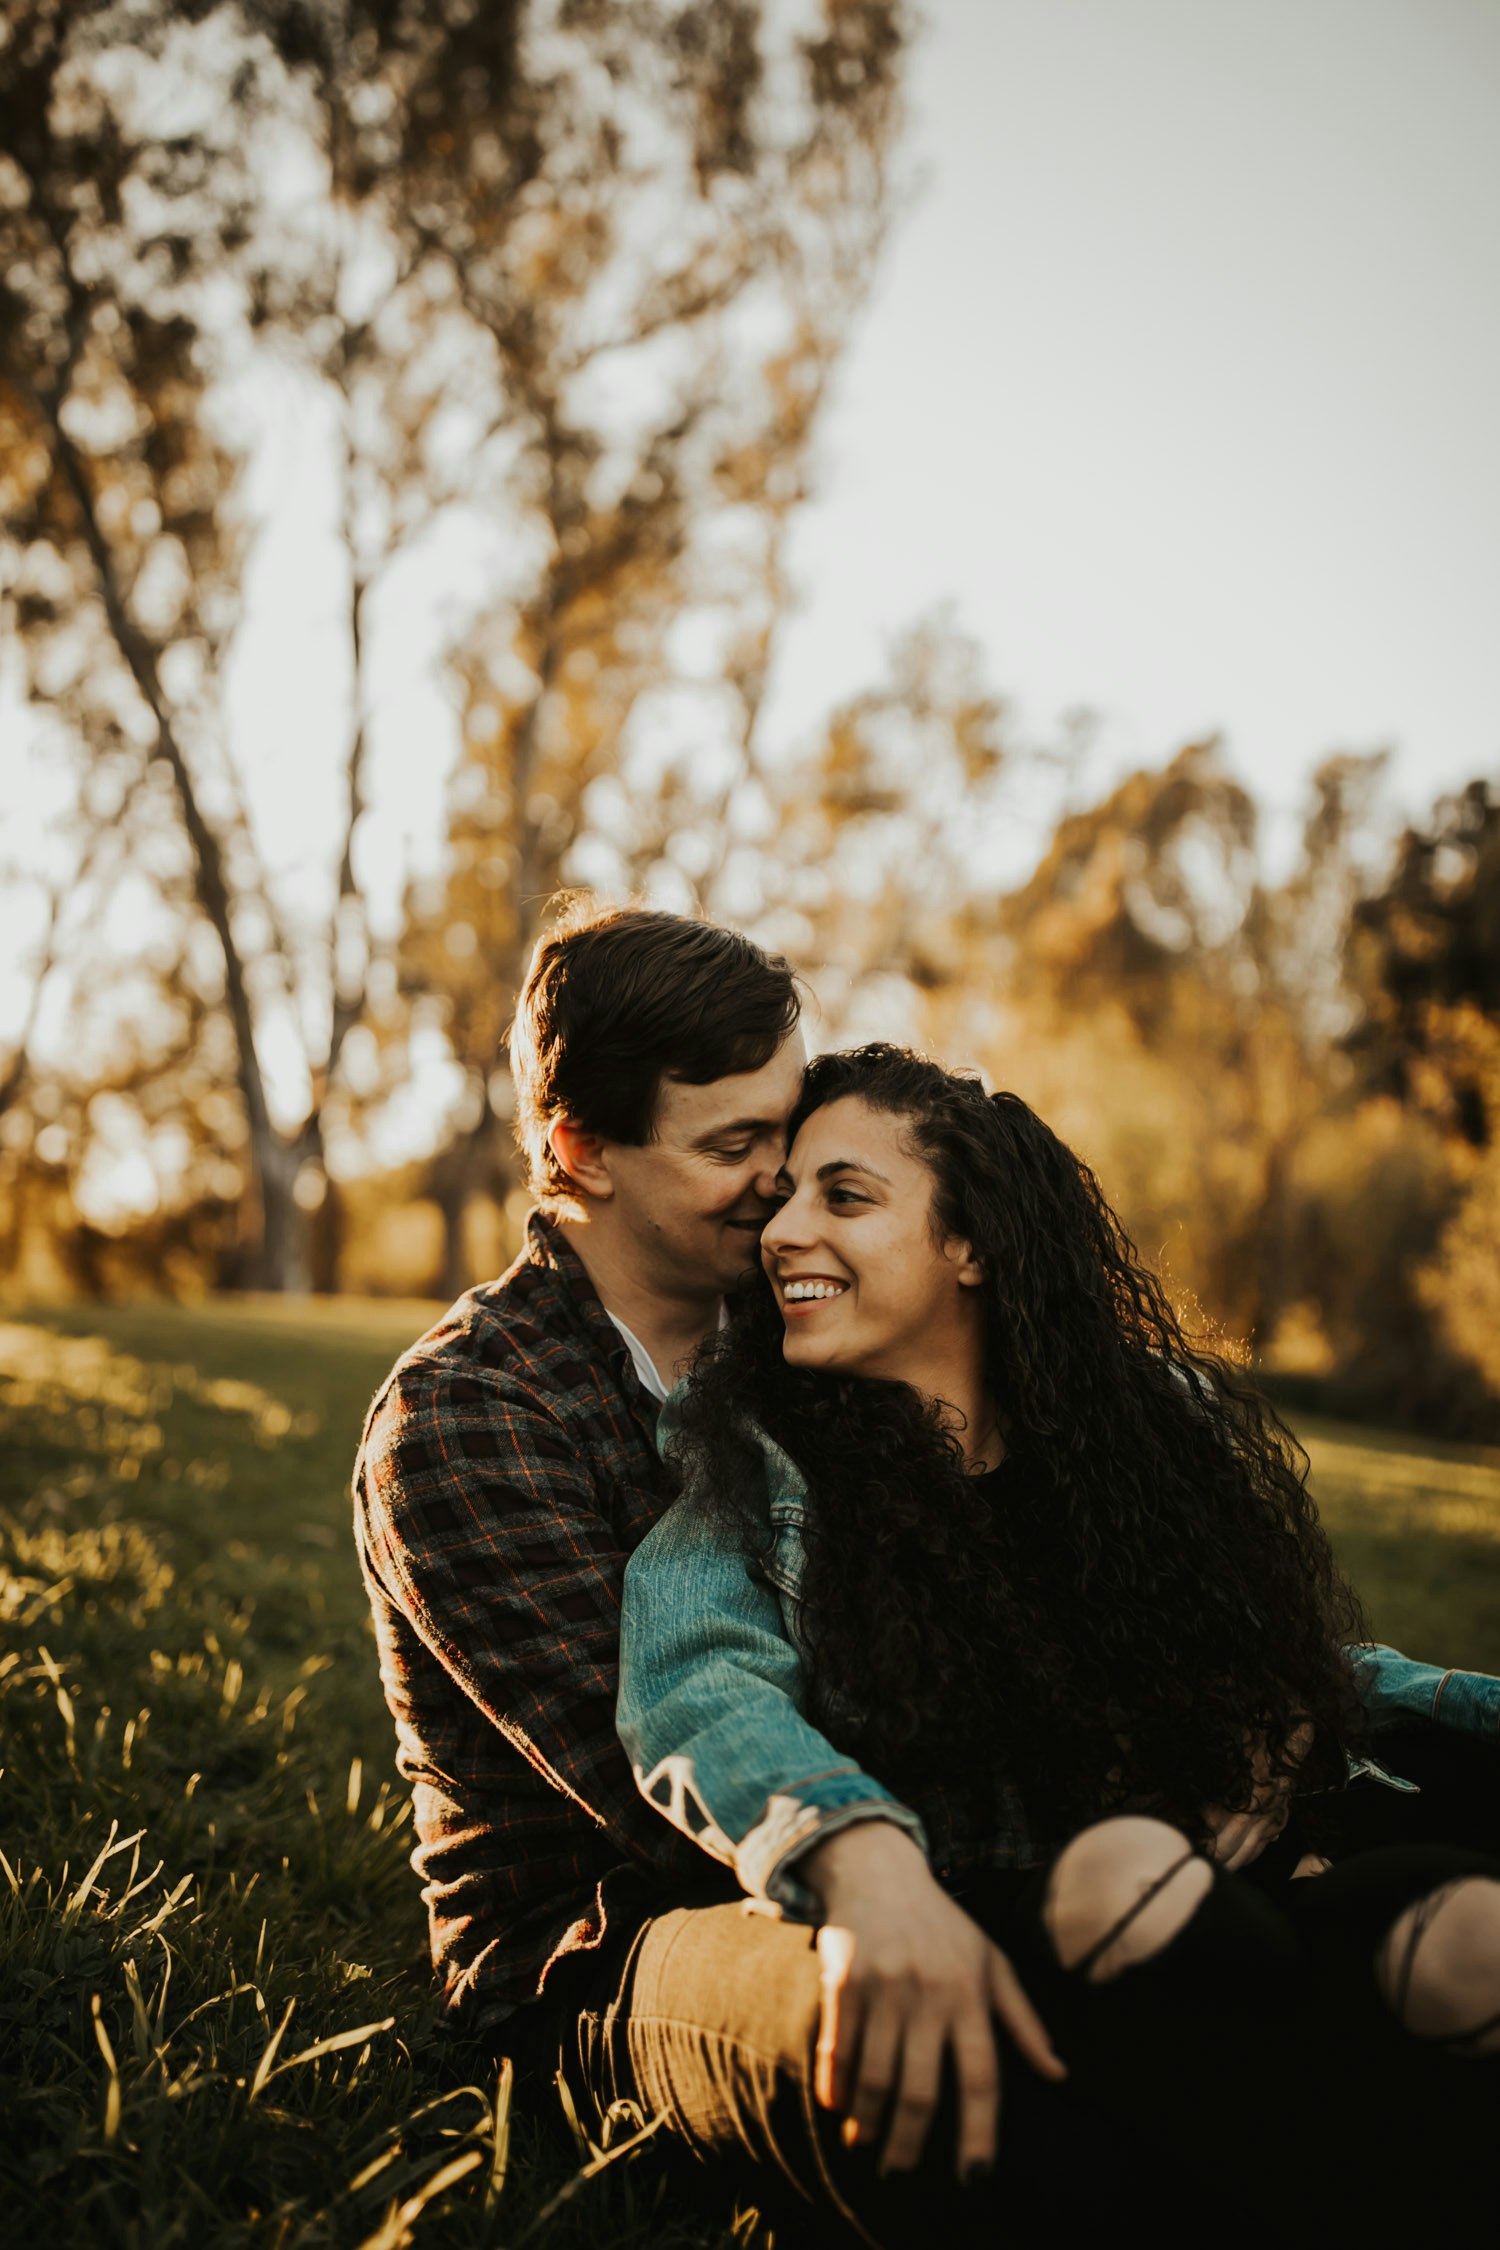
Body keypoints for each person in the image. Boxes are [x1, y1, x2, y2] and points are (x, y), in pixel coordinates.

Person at [616, 1043, 1500, 2245]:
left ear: (970, 1244)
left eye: (846, 1195)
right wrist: (858, 1861)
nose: (782, 1233)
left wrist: (1288, 1714)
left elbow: (1316, 1670)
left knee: (1464, 1942)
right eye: (786, 1199)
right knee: (1129, 1885)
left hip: (1257, 1885)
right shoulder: (761, 1473)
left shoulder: (1140, 1441)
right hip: (1039, 1934)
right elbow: (700, 1687)